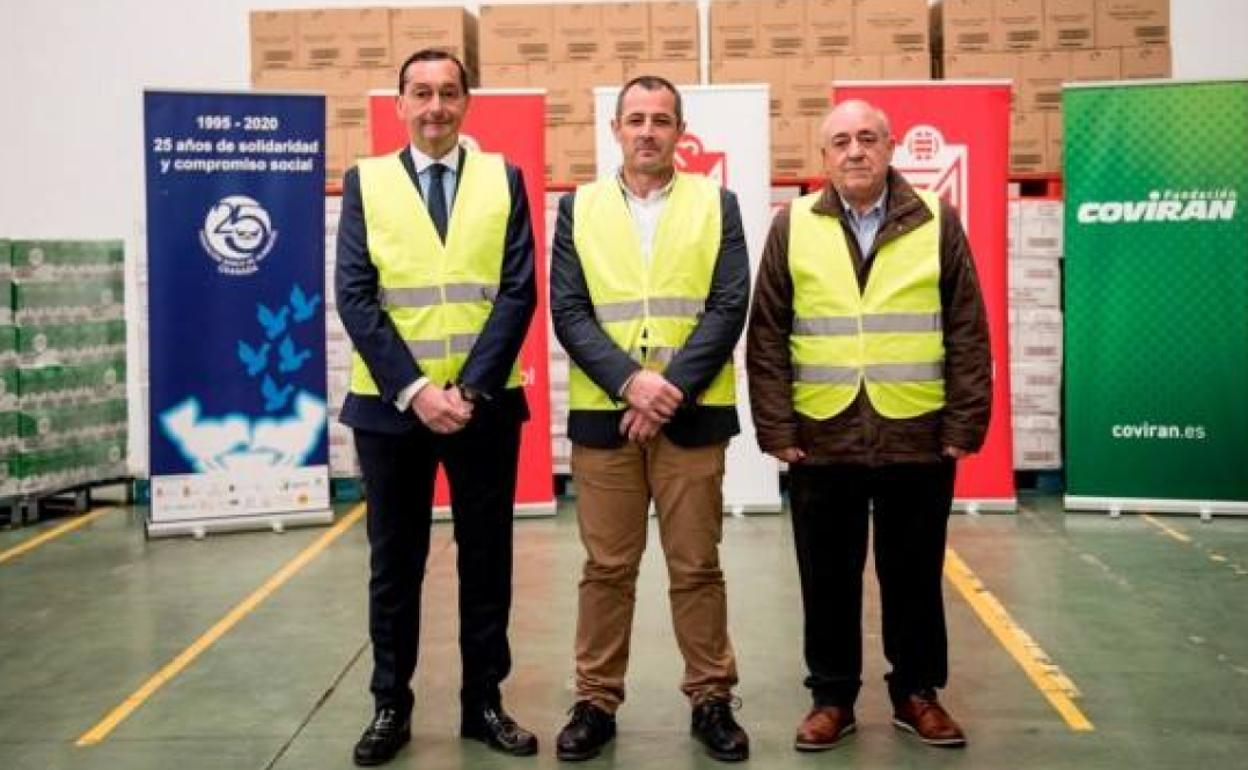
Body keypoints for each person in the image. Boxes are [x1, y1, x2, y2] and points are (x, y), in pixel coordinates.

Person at [746, 99, 992, 751]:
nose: (854, 151)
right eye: (840, 142)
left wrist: (964, 422)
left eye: (866, 138)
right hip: (821, 435)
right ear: (824, 156)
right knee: (826, 576)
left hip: (917, 431)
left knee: (915, 575)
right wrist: (777, 428)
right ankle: (832, 698)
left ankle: (917, 694)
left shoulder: (936, 219)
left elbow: (967, 327)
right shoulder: (793, 224)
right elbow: (767, 334)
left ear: (890, 147)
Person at [335, 49, 538, 767]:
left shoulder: (502, 178)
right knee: (396, 566)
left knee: (488, 561)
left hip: (483, 406)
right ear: (399, 104)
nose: (435, 107)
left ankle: (484, 703)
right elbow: (354, 295)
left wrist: (470, 390)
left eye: (448, 93)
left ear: (466, 103)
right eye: (420, 93)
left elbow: (518, 290)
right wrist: (417, 391)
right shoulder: (365, 182)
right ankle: (391, 705)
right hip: (392, 410)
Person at [549, 75, 751, 763]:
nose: (647, 131)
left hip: (692, 417)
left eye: (661, 120)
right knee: (607, 567)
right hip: (605, 417)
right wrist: (631, 384)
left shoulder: (716, 204)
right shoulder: (579, 207)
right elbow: (568, 310)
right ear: (615, 129)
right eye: (635, 119)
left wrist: (668, 390)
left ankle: (711, 698)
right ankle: (595, 701)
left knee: (696, 565)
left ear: (679, 131)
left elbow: (728, 305)